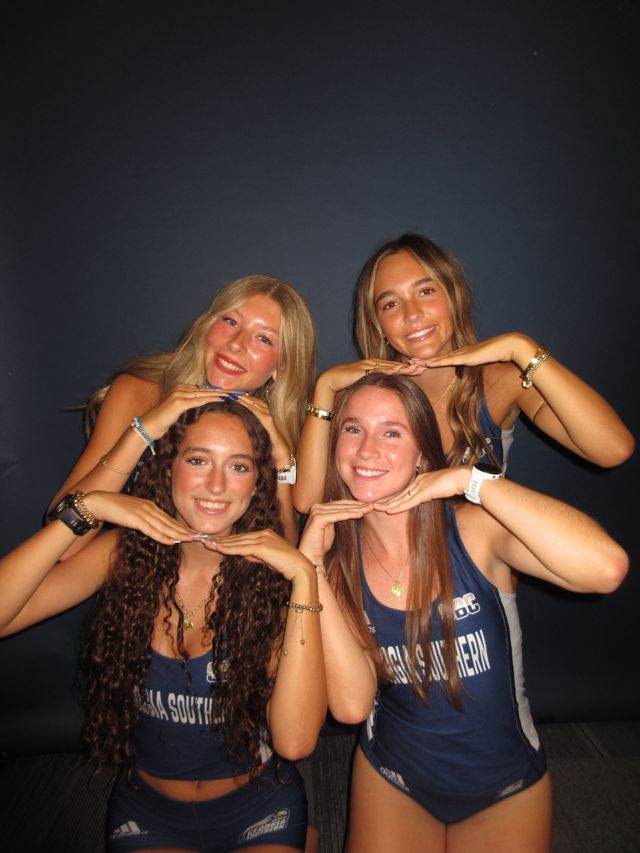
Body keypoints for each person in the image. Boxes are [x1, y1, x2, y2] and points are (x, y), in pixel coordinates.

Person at [297, 373, 628, 853]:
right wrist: (311, 570)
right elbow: (351, 706)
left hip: (504, 781)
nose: (368, 449)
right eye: (353, 429)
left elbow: (605, 568)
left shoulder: (473, 531)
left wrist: (470, 480)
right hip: (393, 774)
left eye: (392, 432)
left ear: (423, 453)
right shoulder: (335, 561)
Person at [0, 399, 327, 853]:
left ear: (257, 483)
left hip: (259, 805)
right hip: (149, 810)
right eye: (198, 460)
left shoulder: (271, 578)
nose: (216, 485)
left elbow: (296, 743)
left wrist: (305, 579)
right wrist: (88, 507)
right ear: (168, 468)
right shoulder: (125, 555)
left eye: (238, 466)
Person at [293, 233, 634, 513]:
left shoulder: (500, 382)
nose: (413, 314)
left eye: (426, 291)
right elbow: (308, 502)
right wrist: (324, 387)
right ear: (378, 324)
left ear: (453, 297)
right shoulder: (358, 398)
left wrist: (522, 348)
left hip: (479, 569)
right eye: (391, 304)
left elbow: (612, 449)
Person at [53, 274, 316, 545]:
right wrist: (143, 431)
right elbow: (62, 543)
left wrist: (282, 464)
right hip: (136, 561)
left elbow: (280, 560)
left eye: (264, 339)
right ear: (207, 325)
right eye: (230, 321)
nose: (236, 343)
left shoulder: (283, 432)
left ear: (281, 367)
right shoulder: (140, 393)